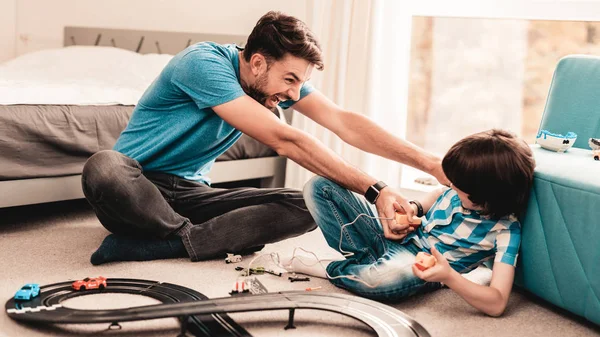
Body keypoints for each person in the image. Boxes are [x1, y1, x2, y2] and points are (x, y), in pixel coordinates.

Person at [82, 11, 447, 265]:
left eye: (300, 83)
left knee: (307, 203)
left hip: (191, 194)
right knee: (104, 166)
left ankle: (165, 244)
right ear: (257, 63)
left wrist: (430, 163)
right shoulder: (202, 63)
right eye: (290, 80)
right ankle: (195, 239)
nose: (294, 93)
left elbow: (342, 121)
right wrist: (376, 189)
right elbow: (284, 140)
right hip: (136, 190)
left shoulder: (275, 80)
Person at [288, 129, 535, 317]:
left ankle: (326, 268)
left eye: (459, 189)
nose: (451, 187)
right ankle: (365, 262)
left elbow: (497, 302)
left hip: (417, 267)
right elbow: (435, 197)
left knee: (381, 279)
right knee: (319, 186)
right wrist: (411, 211)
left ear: (488, 197)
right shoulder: (455, 189)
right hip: (396, 238)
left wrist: (449, 276)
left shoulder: (505, 232)